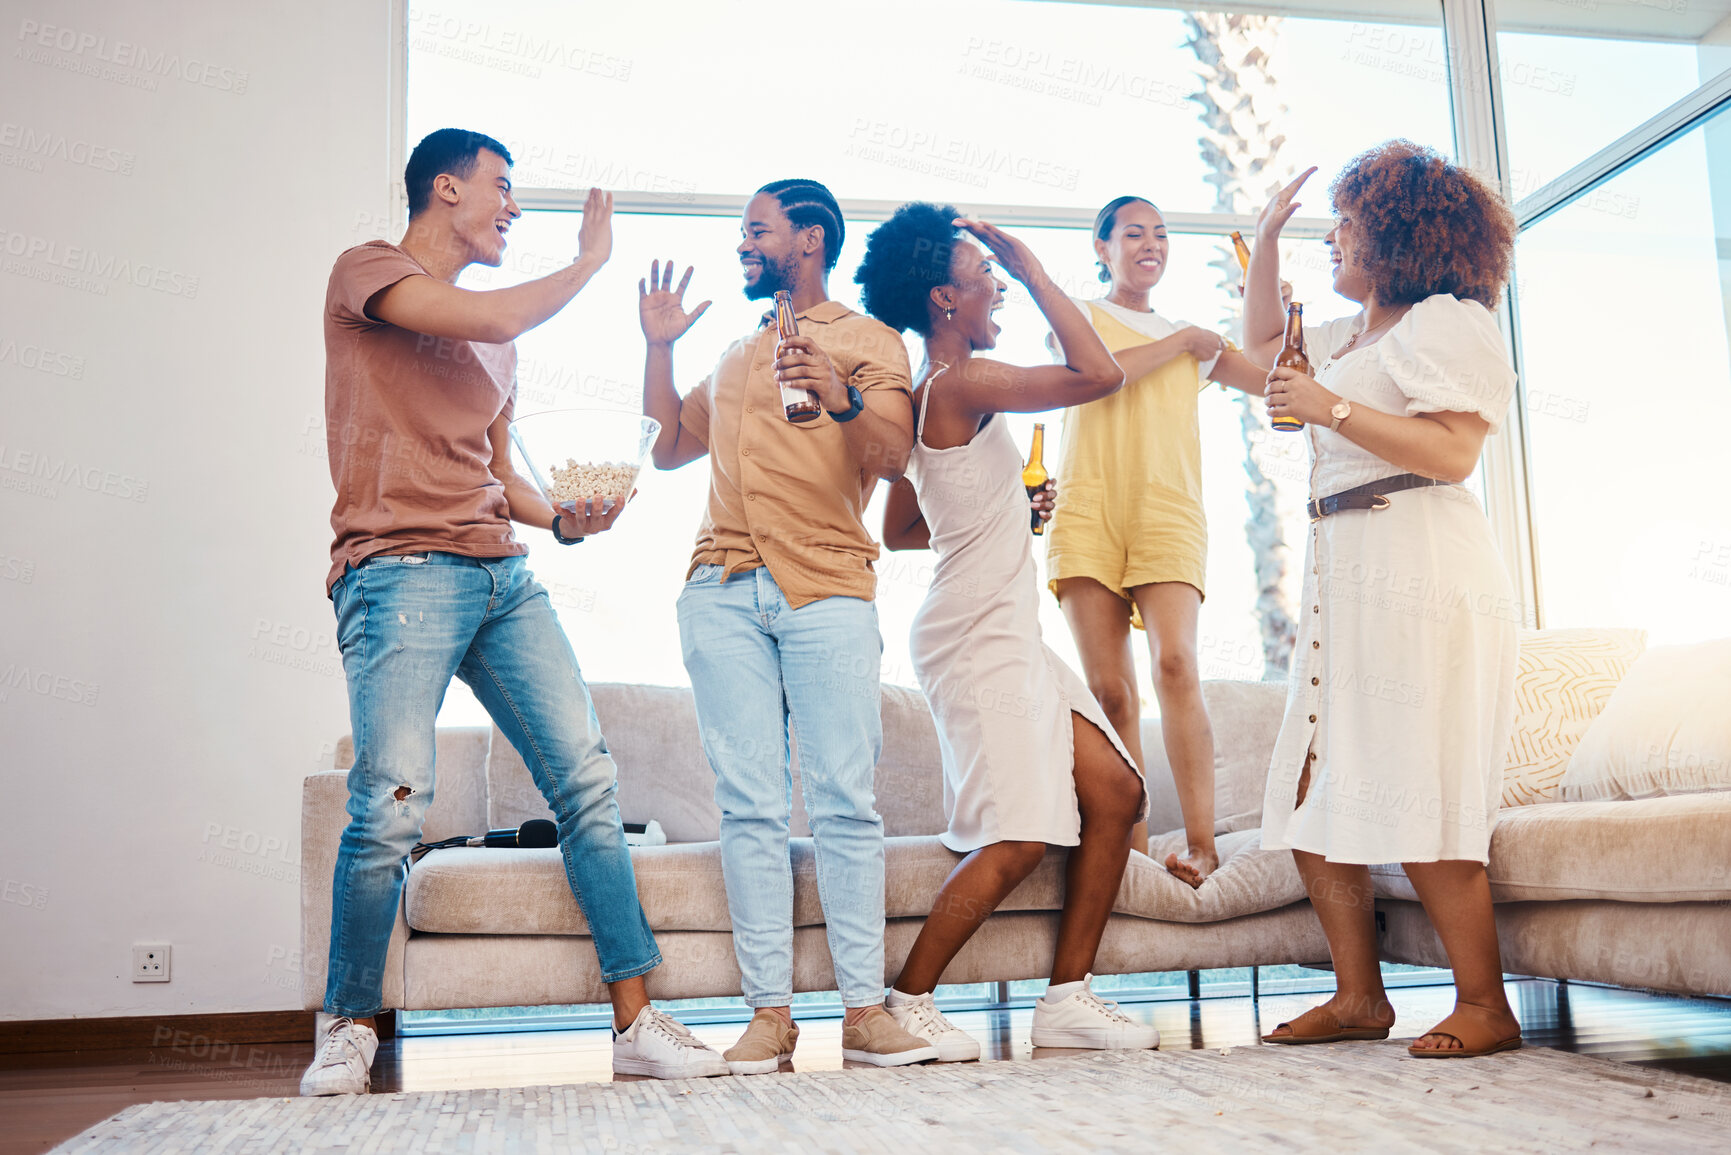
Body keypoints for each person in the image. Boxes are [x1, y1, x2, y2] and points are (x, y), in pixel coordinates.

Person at [304, 129, 728, 1096]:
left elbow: (499, 477)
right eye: (501, 188)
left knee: (588, 782)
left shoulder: (496, 350)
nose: (512, 207)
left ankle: (636, 1022)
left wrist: (569, 522)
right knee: (391, 800)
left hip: (501, 574)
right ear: (445, 187)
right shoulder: (367, 272)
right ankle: (348, 1023)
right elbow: (477, 313)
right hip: (398, 569)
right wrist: (587, 263)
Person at [639, 179, 937, 1074]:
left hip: (829, 587)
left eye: (755, 229)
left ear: (808, 239)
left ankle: (862, 1011)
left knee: (846, 800)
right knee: (750, 807)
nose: (743, 243)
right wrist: (657, 349)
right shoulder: (736, 354)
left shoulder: (869, 341)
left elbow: (891, 458)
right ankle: (769, 1013)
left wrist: (840, 394)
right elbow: (667, 447)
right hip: (722, 588)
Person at [857, 202, 1159, 1058]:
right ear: (944, 298)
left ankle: (1067, 998)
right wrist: (1031, 264)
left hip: (996, 620)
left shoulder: (926, 393)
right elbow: (1099, 374)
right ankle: (903, 1000)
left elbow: (905, 531)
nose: (998, 291)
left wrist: (999, 507)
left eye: (1000, 276)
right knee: (1022, 828)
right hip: (978, 631)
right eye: (984, 279)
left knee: (1116, 793)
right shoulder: (963, 383)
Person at [1247, 144, 1523, 1058]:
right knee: (1307, 779)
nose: (1336, 238)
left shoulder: (1445, 321)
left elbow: (1450, 452)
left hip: (1421, 562)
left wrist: (1327, 408)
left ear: (1398, 234)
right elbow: (1257, 362)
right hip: (1348, 570)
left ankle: (1482, 1002)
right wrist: (1261, 245)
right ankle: (1358, 994)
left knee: (1421, 769)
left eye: (1349, 224)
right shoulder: (1348, 336)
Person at [1046, 196, 1273, 888]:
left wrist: (1273, 314)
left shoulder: (1195, 337)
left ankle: (1201, 845)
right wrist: (1180, 344)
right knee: (1109, 693)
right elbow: (1102, 370)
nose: (1151, 244)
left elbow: (1276, 383)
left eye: (1161, 234)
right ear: (1101, 246)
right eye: (1134, 233)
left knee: (1175, 663)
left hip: (1168, 511)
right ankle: (1136, 852)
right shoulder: (1080, 318)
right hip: (1088, 511)